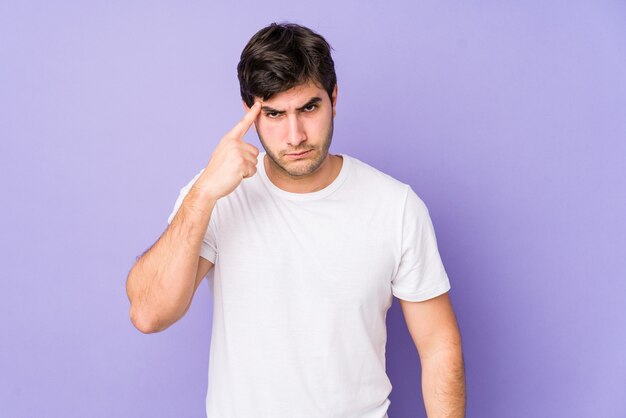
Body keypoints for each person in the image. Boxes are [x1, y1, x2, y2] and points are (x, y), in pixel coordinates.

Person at [126, 22, 466, 418]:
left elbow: (439, 345)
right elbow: (149, 314)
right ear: (249, 114)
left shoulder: (396, 207)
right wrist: (202, 194)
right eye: (274, 114)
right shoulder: (216, 198)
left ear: (333, 98)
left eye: (308, 107)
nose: (295, 135)